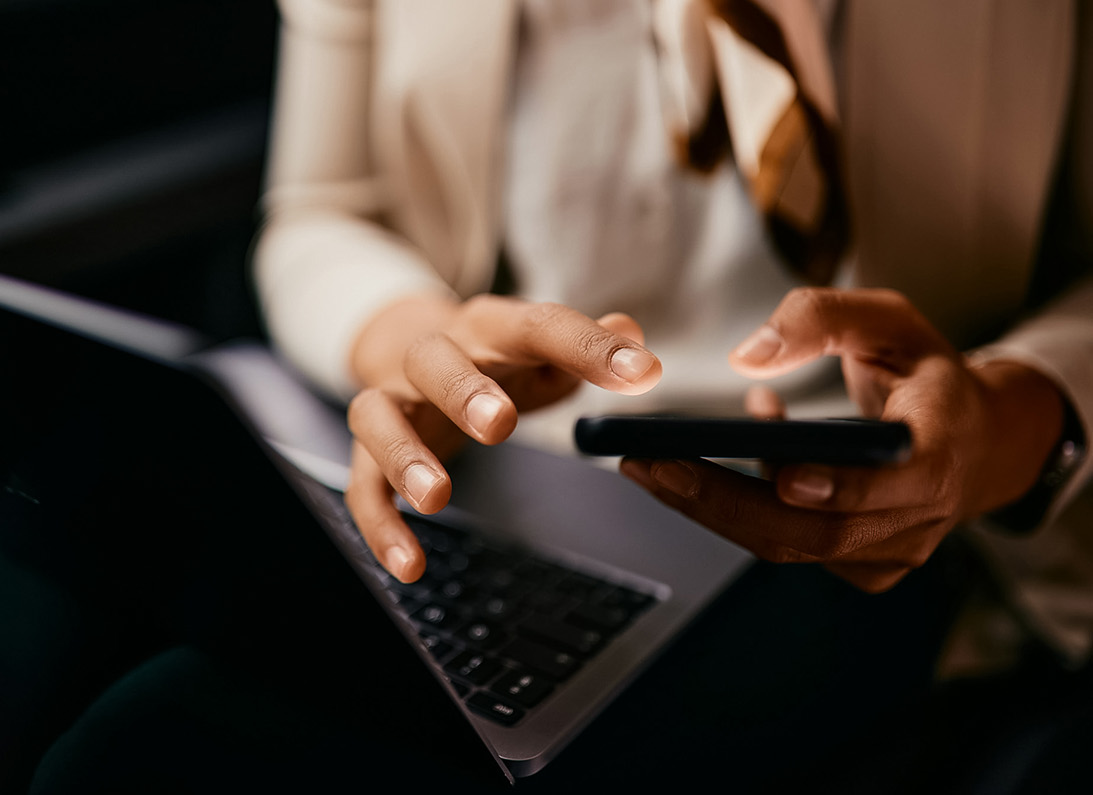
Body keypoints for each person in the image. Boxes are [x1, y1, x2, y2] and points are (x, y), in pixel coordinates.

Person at [241, 0, 1093, 788]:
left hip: (901, 551)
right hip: (530, 479)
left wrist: (1006, 423)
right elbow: (322, 211)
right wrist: (419, 342)